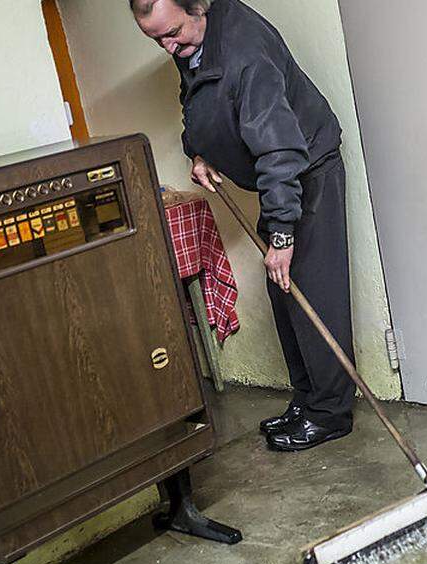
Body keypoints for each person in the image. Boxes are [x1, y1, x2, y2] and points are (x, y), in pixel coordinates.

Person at [132, 0, 356, 452]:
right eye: (157, 39)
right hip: (280, 176)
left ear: (199, 7)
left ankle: (331, 413)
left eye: (173, 32)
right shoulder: (193, 40)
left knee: (312, 289)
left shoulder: (245, 53)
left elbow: (279, 153)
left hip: (304, 170)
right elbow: (196, 100)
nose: (169, 46)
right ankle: (309, 399)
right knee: (282, 290)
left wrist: (282, 235)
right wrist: (197, 150)